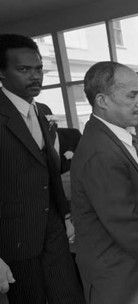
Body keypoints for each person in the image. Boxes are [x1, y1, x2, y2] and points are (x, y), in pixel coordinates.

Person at [71, 61, 138, 304]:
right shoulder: (101, 152)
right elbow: (126, 223)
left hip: (136, 274)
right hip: (120, 282)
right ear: (102, 101)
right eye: (132, 95)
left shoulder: (112, 139)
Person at [0, 34, 84, 304]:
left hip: (54, 227)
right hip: (14, 236)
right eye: (23, 70)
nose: (35, 76)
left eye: (38, 69)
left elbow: (49, 170)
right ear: (1, 72)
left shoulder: (44, 110)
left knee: (68, 294)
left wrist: (66, 215)